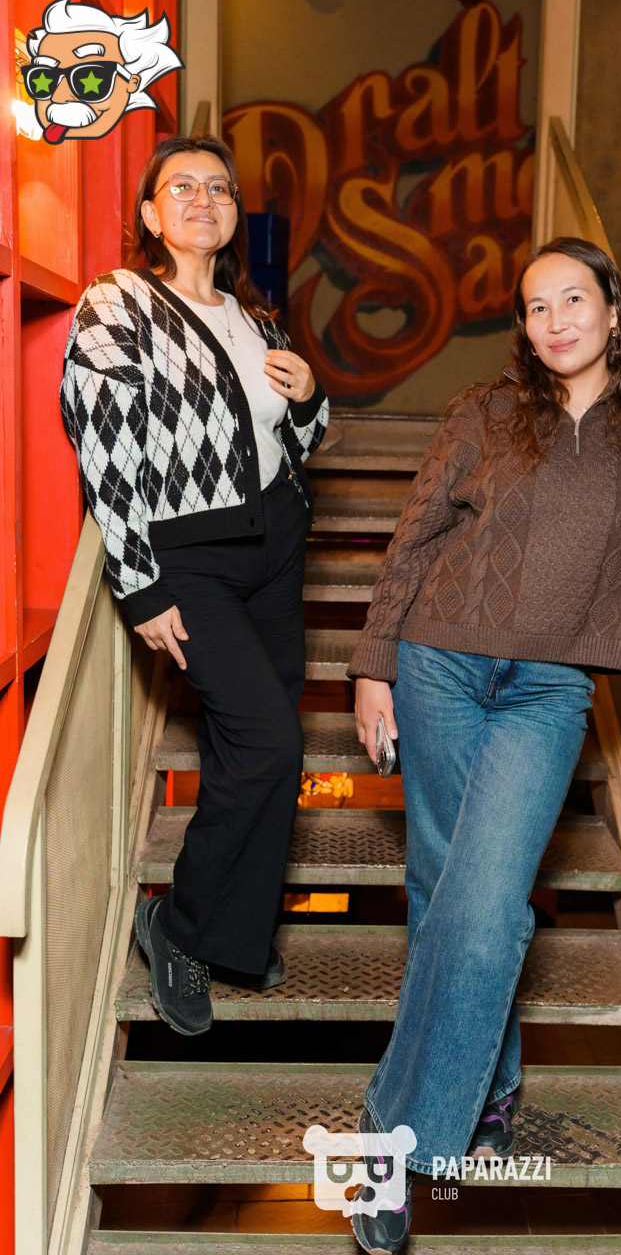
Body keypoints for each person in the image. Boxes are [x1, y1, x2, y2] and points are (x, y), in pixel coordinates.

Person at [346, 235, 621, 1253]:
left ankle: (397, 1141)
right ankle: (491, 1084)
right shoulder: (487, 412)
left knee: (485, 905)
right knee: (443, 893)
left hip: (549, 689)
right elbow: (415, 536)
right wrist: (373, 664)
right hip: (438, 663)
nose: (554, 321)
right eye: (536, 306)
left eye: (572, 299)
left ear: (611, 308)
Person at [60, 132, 328, 1036]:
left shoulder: (257, 322)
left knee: (244, 750)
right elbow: (102, 446)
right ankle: (177, 924)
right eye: (182, 187)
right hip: (190, 558)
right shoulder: (120, 302)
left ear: (235, 213)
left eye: (219, 187)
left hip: (276, 546)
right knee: (269, 743)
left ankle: (233, 935)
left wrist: (310, 395)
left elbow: (299, 437)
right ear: (149, 213)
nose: (204, 199)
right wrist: (138, 584)